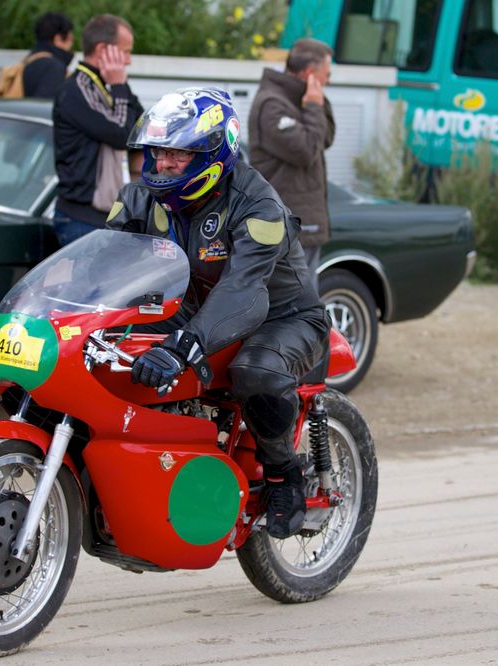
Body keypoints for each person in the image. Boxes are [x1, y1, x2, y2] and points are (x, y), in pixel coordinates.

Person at [107, 87, 330, 539]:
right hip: (200, 309)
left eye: (177, 155)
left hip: (283, 317)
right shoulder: (139, 197)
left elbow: (243, 291)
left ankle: (283, 474)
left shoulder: (258, 204)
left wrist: (184, 344)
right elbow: (102, 265)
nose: (162, 165)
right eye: (156, 153)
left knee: (257, 373)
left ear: (213, 152)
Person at [248, 38, 336, 292]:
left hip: (304, 219)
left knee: (306, 297)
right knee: (299, 301)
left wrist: (315, 103)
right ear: (310, 74)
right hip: (287, 221)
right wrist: (312, 106)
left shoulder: (300, 101)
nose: (328, 80)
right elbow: (307, 150)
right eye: (325, 75)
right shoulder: (272, 105)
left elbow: (325, 137)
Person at [52, 14, 142, 246]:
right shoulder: (77, 90)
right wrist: (119, 85)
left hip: (106, 218)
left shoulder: (107, 86)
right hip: (81, 221)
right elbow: (122, 135)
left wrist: (120, 86)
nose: (129, 61)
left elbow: (141, 125)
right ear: (103, 50)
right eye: (125, 52)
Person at [22, 12, 74, 99]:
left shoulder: (29, 61)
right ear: (57, 39)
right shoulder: (54, 68)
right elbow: (45, 106)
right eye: (70, 39)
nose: (71, 45)